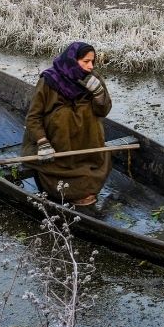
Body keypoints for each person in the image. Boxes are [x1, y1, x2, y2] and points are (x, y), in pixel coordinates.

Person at [21, 41, 111, 207]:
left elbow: (103, 111)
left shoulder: (93, 79)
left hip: (87, 148)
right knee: (62, 115)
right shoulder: (49, 81)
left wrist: (99, 94)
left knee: (87, 112)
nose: (90, 66)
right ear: (72, 60)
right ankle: (67, 184)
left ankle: (85, 170)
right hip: (58, 150)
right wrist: (42, 142)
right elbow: (33, 117)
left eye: (92, 61)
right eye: (85, 62)